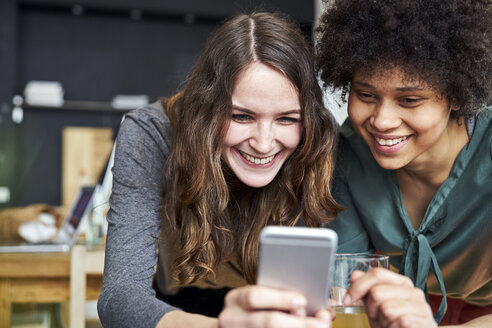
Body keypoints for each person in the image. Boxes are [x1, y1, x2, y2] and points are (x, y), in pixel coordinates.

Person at [97, 12, 341, 328]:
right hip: (176, 315)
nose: (264, 144)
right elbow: (119, 298)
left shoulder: (318, 138)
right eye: (241, 117)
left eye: (287, 119)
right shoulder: (153, 133)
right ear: (206, 109)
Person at [315, 0, 492, 326]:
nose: (382, 121)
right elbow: (343, 290)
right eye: (366, 95)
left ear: (454, 95)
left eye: (409, 100)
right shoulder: (345, 157)